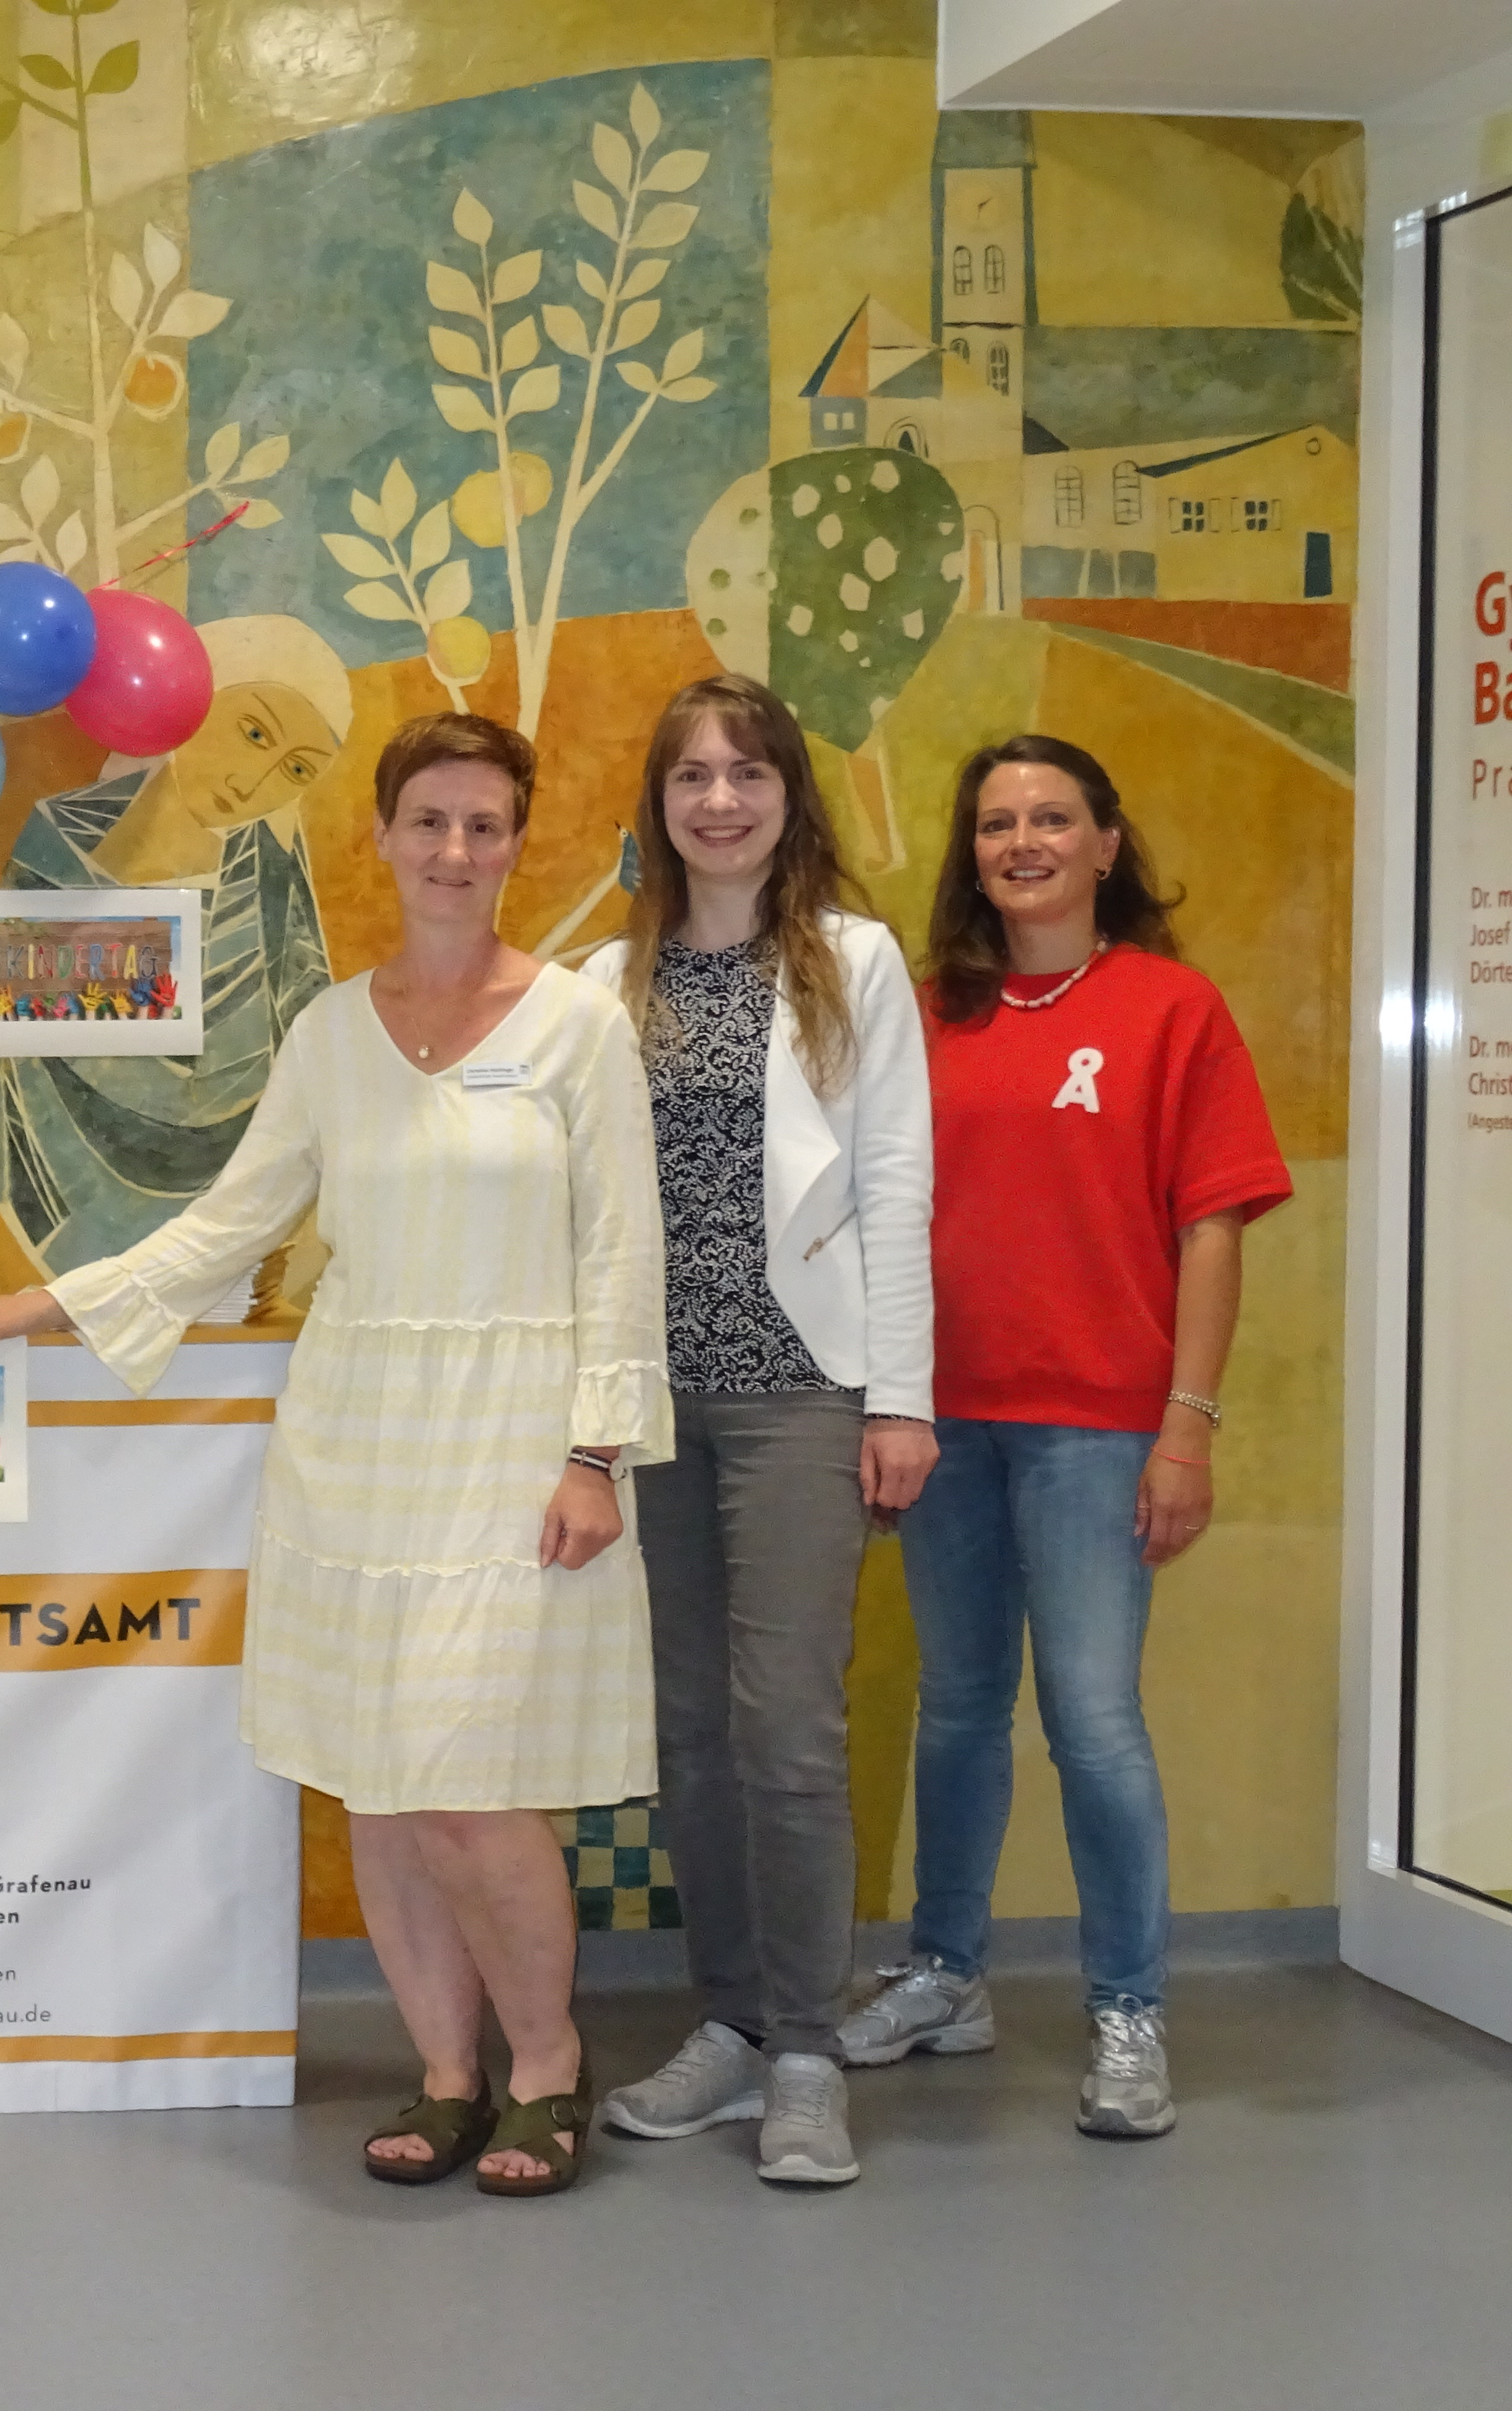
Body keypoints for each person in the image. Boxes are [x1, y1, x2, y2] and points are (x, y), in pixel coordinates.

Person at [0, 713, 668, 2195]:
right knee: (376, 1778)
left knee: (464, 1779)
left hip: (514, 1437)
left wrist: (596, 1450)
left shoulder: (577, 1025)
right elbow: (226, 1227)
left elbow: (621, 1252)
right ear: (381, 837)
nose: (455, 849)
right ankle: (446, 2074)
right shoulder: (328, 1032)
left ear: (517, 844)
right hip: (356, 1432)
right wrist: (43, 1303)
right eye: (430, 820)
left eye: (485, 825)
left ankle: (547, 2064)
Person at [839, 734, 1289, 2140]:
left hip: (1097, 1429)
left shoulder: (1171, 1009)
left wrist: (1184, 1429)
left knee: (1091, 1720)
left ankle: (1126, 2009)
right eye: (994, 823)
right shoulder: (923, 1014)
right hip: (942, 1422)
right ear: (969, 854)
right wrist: (881, 1401)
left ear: (1105, 841)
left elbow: (1210, 1230)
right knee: (958, 1707)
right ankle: (945, 1974)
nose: (1020, 842)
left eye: (1049, 817)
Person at [581, 675, 934, 2188]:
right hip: (651, 1404)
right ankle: (726, 2023)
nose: (718, 801)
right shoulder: (607, 979)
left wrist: (901, 1398)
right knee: (690, 1731)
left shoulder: (852, 962)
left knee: (787, 1723)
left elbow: (895, 1187)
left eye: (746, 774)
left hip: (802, 1390)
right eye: (690, 778)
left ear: (790, 795)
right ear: (658, 806)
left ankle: (804, 2049)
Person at [0, 616, 355, 1291]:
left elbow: (313, 1064)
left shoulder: (271, 883)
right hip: (65, 1224)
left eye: (296, 770)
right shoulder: (68, 848)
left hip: (229, 1241)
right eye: (253, 733)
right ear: (195, 700)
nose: (253, 782)